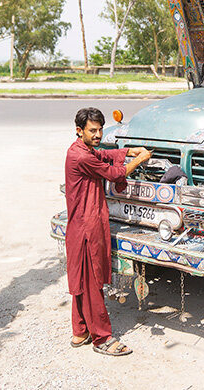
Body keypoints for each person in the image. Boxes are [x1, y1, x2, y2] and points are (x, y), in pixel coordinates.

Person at [65, 107, 151, 356]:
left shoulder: (81, 150)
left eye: (101, 129)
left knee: (82, 280)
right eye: (93, 130)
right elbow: (115, 172)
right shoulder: (81, 157)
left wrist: (126, 151)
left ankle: (80, 331)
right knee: (92, 283)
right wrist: (138, 160)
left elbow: (103, 154)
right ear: (79, 131)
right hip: (86, 227)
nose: (99, 134)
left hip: (80, 225)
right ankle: (102, 338)